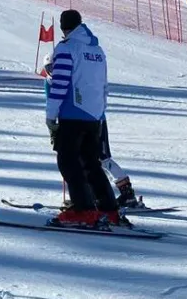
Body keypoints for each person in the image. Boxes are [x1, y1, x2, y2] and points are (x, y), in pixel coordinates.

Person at [44, 10, 119, 227]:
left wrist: (51, 116)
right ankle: (108, 208)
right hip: (94, 114)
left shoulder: (67, 48)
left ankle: (84, 210)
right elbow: (104, 83)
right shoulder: (96, 49)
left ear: (63, 27)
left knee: (67, 161)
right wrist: (100, 111)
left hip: (73, 112)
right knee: (90, 163)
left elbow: (59, 85)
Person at [43, 54, 140, 211]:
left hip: (93, 121)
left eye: (56, 67)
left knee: (101, 158)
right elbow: (52, 103)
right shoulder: (49, 82)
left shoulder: (72, 79)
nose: (54, 71)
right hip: (70, 124)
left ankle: (126, 192)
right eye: (50, 68)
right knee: (78, 160)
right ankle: (88, 195)